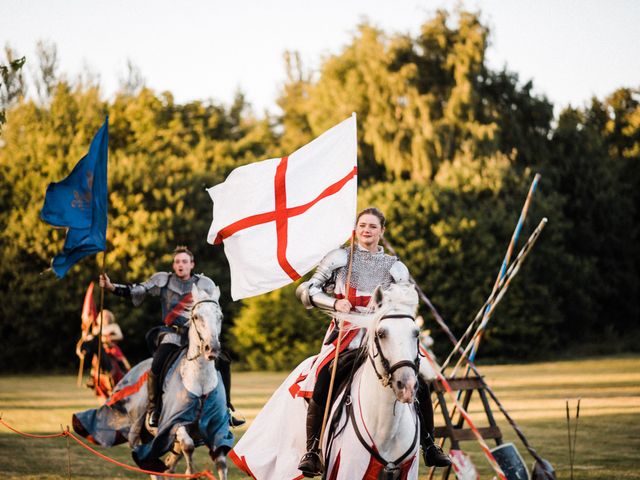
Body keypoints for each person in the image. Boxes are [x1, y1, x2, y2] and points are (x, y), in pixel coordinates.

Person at [295, 207, 451, 477]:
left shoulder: (395, 266)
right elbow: (306, 290)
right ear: (355, 229)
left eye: (372, 226)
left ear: (382, 231)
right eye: (362, 225)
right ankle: (313, 450)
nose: (366, 230)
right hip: (347, 338)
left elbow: (406, 302)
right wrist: (334, 302)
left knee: (420, 380)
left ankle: (428, 444)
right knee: (323, 377)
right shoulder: (339, 258)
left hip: (385, 338)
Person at [99, 246, 244, 429]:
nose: (180, 265)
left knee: (224, 362)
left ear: (192, 264)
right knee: (157, 365)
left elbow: (212, 311)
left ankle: (226, 409)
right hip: (173, 335)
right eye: (177, 262)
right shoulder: (163, 280)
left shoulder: (205, 284)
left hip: (199, 337)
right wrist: (112, 287)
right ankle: (154, 410)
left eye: (184, 261)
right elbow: (137, 290)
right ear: (173, 265)